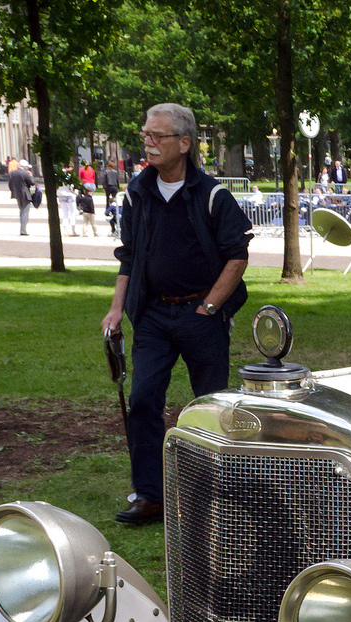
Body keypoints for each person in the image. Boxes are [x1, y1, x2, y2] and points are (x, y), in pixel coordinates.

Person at [101, 102, 252, 527]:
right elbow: (129, 257)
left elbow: (236, 257)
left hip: (202, 317)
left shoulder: (213, 195)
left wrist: (210, 308)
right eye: (145, 134)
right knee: (143, 398)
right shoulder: (137, 193)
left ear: (184, 143)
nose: (147, 142)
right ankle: (151, 495)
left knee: (210, 405)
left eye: (157, 136)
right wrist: (117, 309)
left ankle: (213, 494)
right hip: (152, 317)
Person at [9, 160, 36, 234]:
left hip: (17, 194)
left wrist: (14, 191)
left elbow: (10, 184)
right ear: (24, 166)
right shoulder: (25, 173)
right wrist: (31, 176)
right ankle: (23, 230)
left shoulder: (12, 173)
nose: (27, 168)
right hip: (26, 194)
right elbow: (32, 182)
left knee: (21, 211)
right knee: (25, 212)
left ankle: (22, 228)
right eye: (27, 166)